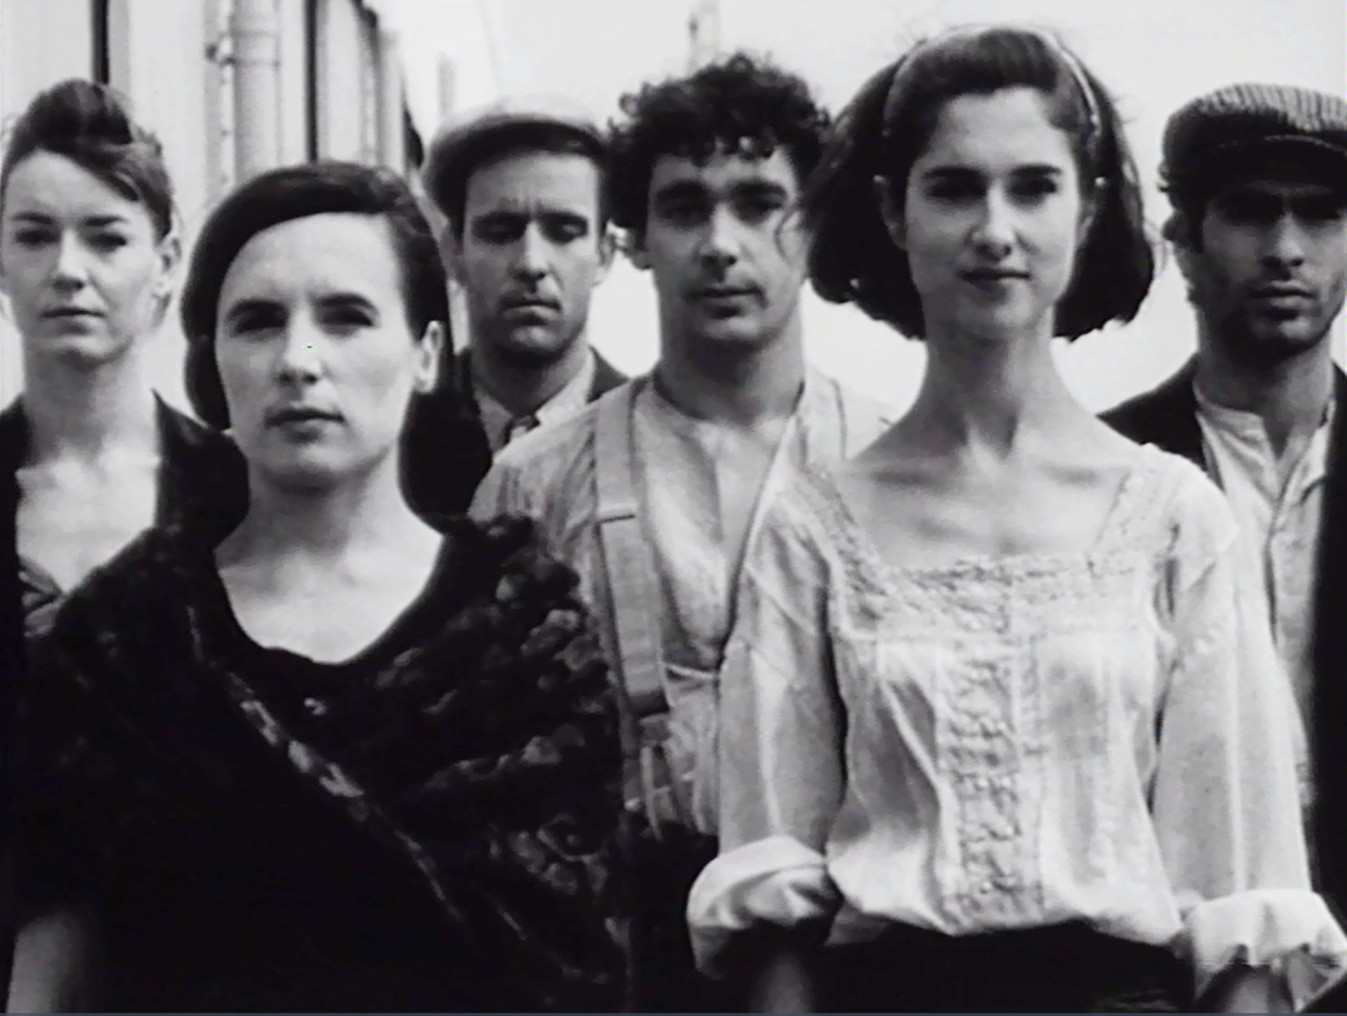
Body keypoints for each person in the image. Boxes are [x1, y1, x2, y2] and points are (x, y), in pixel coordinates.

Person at [687, 27, 1347, 1013]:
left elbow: (1239, 896)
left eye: (1033, 188)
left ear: (1085, 209)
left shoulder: (1171, 518)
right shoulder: (813, 529)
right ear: (895, 211)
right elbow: (773, 892)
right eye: (954, 189)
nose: (994, 229)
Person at [12, 161, 627, 1012]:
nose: (299, 361)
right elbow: (52, 971)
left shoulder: (522, 644)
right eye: (259, 322)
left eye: (346, 318)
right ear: (213, 361)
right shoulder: (123, 643)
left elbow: (574, 969)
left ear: (425, 354)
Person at [471, 53, 892, 1010]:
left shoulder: (889, 464)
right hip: (619, 952)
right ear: (636, 238)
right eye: (684, 207)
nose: (720, 243)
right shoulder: (534, 483)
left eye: (759, 203)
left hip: (860, 948)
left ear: (814, 223)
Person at [1100, 85, 1347, 903]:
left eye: (1321, 214)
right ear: (1184, 243)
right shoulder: (1105, 474)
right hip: (1180, 937)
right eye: (1248, 212)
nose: (1285, 249)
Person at [0, 79, 245, 641]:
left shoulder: (237, 491)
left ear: (166, 262)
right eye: (35, 238)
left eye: (106, 239)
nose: (67, 270)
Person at [404, 95, 625, 517]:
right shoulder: (395, 440)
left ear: (604, 254)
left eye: (563, 231)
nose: (531, 263)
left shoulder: (651, 438)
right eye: (501, 232)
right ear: (453, 252)